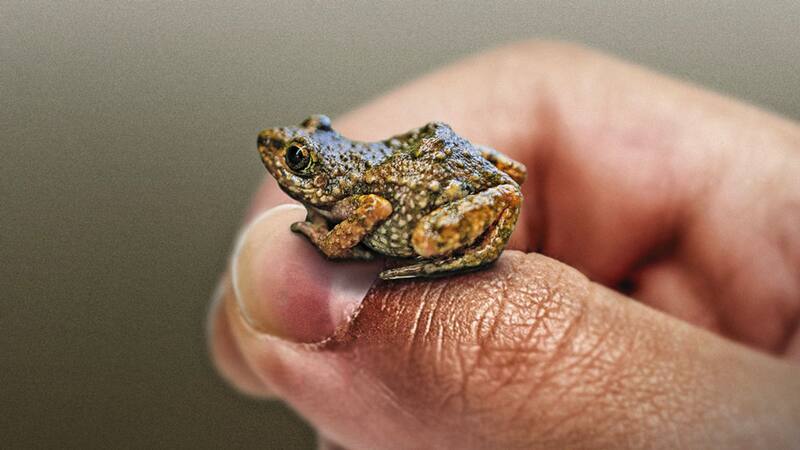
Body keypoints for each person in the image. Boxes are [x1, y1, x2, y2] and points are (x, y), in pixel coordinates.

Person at [207, 42, 800, 449]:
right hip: (450, 167)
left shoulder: (353, 195)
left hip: (439, 197)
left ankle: (457, 251)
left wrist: (327, 240)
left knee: (421, 235)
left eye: (300, 159)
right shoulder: (352, 181)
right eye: (301, 152)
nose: (284, 157)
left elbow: (371, 209)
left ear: (322, 171)